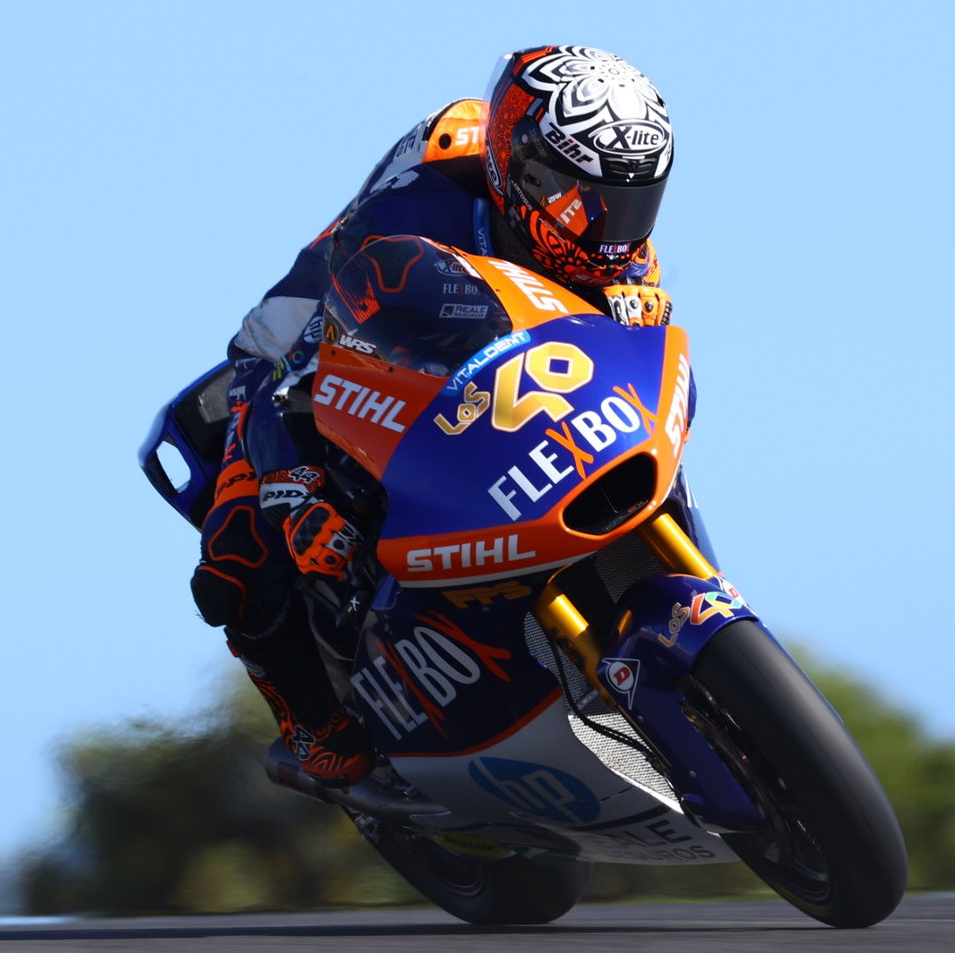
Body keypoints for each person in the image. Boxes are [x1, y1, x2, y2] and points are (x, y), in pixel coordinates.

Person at [189, 46, 676, 787]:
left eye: (632, 203)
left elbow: (629, 332)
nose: (609, 230)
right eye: (584, 200)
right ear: (526, 172)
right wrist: (294, 485)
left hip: (496, 350)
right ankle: (312, 725)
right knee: (238, 553)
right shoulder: (412, 215)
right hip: (304, 341)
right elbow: (295, 379)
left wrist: (640, 312)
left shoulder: (612, 244)